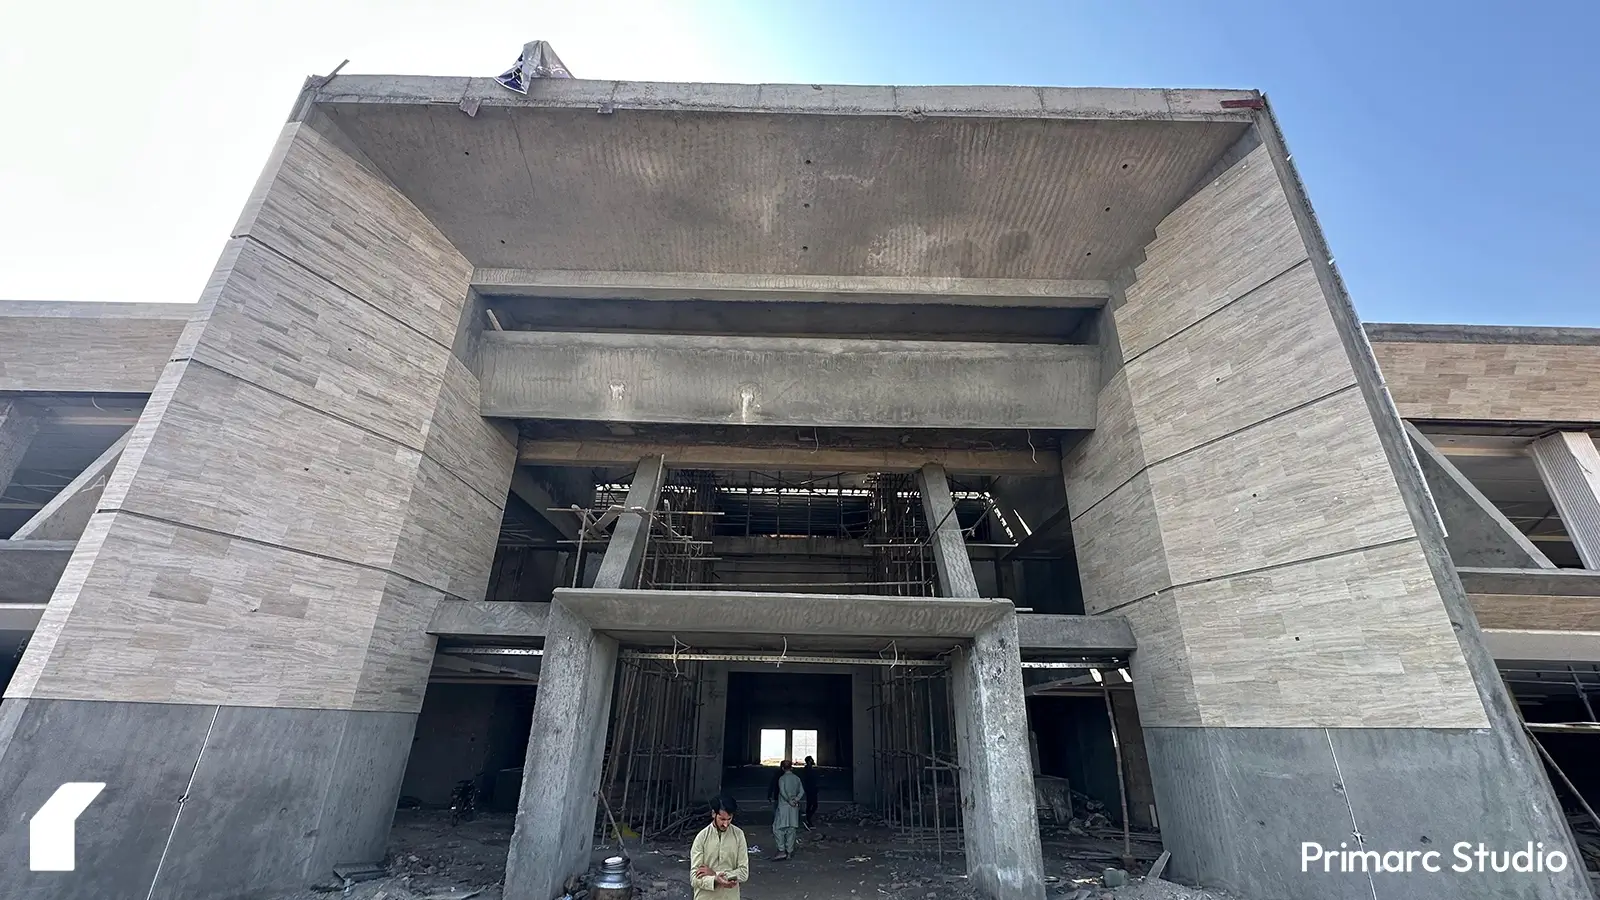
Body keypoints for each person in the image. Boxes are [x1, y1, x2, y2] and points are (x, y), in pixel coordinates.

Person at [690, 795, 749, 898]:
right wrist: (716, 879)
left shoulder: (738, 835)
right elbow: (694, 878)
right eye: (722, 819)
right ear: (714, 814)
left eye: (729, 819)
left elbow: (743, 873)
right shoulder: (702, 838)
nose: (726, 824)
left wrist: (714, 874)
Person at [772, 759, 805, 861]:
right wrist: (796, 799)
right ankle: (789, 852)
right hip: (794, 807)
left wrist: (788, 800)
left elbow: (782, 791)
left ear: (782, 768)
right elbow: (802, 791)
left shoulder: (782, 779)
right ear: (791, 767)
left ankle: (781, 850)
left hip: (784, 806)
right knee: (792, 829)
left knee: (777, 828)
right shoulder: (797, 778)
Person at [800, 756, 819, 828]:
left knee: (810, 805)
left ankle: (808, 818)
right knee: (814, 805)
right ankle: (808, 819)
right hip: (811, 789)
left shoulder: (809, 769)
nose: (813, 760)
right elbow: (809, 780)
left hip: (811, 789)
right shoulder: (808, 770)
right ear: (809, 761)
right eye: (811, 760)